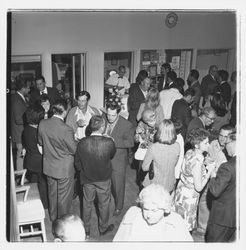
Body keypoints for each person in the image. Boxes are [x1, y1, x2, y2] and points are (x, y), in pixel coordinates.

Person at [75, 115, 116, 238]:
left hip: (87, 179)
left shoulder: (82, 142)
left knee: (86, 204)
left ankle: (86, 231)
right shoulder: (109, 142)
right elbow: (112, 156)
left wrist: (83, 171)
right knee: (104, 204)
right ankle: (103, 228)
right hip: (104, 178)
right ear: (102, 127)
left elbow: (77, 162)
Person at [38, 99, 77, 221]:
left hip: (49, 167)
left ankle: (53, 218)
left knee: (52, 194)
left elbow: (40, 142)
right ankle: (62, 224)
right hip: (64, 169)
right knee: (63, 199)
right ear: (64, 112)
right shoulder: (66, 129)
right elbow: (74, 150)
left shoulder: (42, 123)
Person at [113, 184, 193, 241]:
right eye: (146, 209)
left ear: (165, 208)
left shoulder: (175, 222)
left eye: (154, 210)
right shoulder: (133, 215)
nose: (149, 215)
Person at [173, 128, 216, 232]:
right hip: (189, 196)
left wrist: (205, 162)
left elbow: (189, 168)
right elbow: (199, 187)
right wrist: (209, 171)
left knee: (177, 220)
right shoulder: (197, 163)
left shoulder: (189, 152)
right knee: (185, 227)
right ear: (197, 145)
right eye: (205, 143)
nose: (208, 145)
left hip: (180, 190)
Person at [105, 102, 134, 216]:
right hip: (104, 158)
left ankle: (119, 206)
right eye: (108, 114)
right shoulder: (104, 119)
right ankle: (106, 202)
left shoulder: (126, 125)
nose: (109, 117)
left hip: (118, 160)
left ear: (118, 113)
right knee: (106, 183)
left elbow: (130, 142)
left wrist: (113, 141)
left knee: (118, 185)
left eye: (113, 115)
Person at [206, 132, 236, 242]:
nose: (225, 147)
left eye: (227, 143)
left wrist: (213, 175)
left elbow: (215, 191)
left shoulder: (228, 166)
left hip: (222, 218)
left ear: (233, 143)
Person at [141, 120, 180, 193]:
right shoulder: (177, 146)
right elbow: (175, 164)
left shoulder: (153, 147)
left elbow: (144, 168)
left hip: (154, 185)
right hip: (169, 185)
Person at [23, 104, 48, 209]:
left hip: (30, 161)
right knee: (43, 184)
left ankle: (34, 203)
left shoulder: (26, 129)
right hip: (39, 162)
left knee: (33, 183)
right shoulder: (37, 132)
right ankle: (44, 206)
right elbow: (41, 150)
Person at [135, 109, 157, 188]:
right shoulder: (140, 126)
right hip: (143, 155)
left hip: (153, 153)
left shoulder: (156, 126)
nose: (154, 122)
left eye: (154, 119)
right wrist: (138, 134)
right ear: (145, 121)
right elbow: (135, 140)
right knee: (142, 174)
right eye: (151, 121)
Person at [11, 77, 30, 170]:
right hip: (19, 133)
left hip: (19, 132)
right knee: (21, 154)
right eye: (28, 88)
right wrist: (30, 120)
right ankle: (20, 176)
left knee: (21, 154)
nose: (29, 89)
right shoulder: (18, 100)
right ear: (23, 88)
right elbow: (18, 119)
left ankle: (21, 176)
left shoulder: (17, 97)